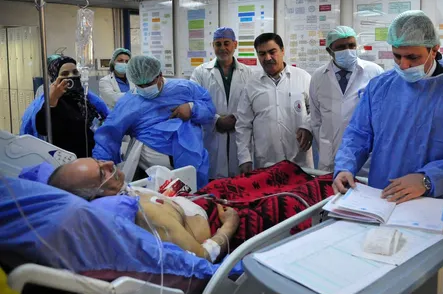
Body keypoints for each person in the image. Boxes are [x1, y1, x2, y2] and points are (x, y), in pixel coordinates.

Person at [332, 10, 443, 294]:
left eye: (413, 57)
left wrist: (428, 179)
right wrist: (345, 167)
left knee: (433, 287)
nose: (403, 65)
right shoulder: (381, 87)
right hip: (385, 203)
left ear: (434, 49)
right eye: (397, 56)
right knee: (386, 280)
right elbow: (358, 134)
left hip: (436, 210)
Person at [47, 158, 239, 263]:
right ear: (95, 195)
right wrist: (230, 225)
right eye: (101, 173)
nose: (109, 163)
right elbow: (203, 257)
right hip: (224, 224)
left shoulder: (123, 192)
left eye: (98, 161)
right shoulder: (144, 214)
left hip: (205, 199)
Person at [92, 55, 216, 188]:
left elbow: (209, 109)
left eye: (149, 84)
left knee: (195, 193)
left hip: (193, 155)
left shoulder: (184, 88)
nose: (145, 88)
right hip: (154, 166)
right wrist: (101, 169)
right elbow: (108, 135)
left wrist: (192, 108)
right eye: (140, 85)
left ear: (160, 75)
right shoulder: (129, 102)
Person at [235, 33, 313, 174]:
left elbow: (315, 111)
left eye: (272, 52)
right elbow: (243, 125)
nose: (267, 58)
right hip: (266, 162)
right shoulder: (251, 84)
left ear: (282, 50)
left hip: (300, 161)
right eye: (262, 54)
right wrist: (245, 158)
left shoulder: (303, 78)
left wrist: (307, 126)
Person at [309, 25, 383, 174]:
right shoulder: (318, 76)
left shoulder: (374, 72)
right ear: (329, 51)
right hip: (329, 157)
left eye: (351, 45)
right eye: (341, 47)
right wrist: (325, 148)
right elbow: (316, 119)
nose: (348, 50)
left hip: (365, 159)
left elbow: (381, 117)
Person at [190, 28, 252, 179]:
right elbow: (193, 103)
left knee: (238, 182)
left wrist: (236, 117)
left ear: (235, 45)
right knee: (213, 181)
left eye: (226, 43)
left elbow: (252, 103)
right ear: (213, 46)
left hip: (239, 134)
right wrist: (216, 120)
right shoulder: (200, 72)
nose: (223, 48)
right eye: (218, 44)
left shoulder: (249, 73)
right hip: (211, 135)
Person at [21, 56, 110, 158]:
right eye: (65, 74)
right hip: (68, 159)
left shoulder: (85, 99)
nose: (71, 76)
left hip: (91, 156)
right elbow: (42, 128)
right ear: (55, 78)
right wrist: (52, 100)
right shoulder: (55, 102)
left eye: (75, 72)